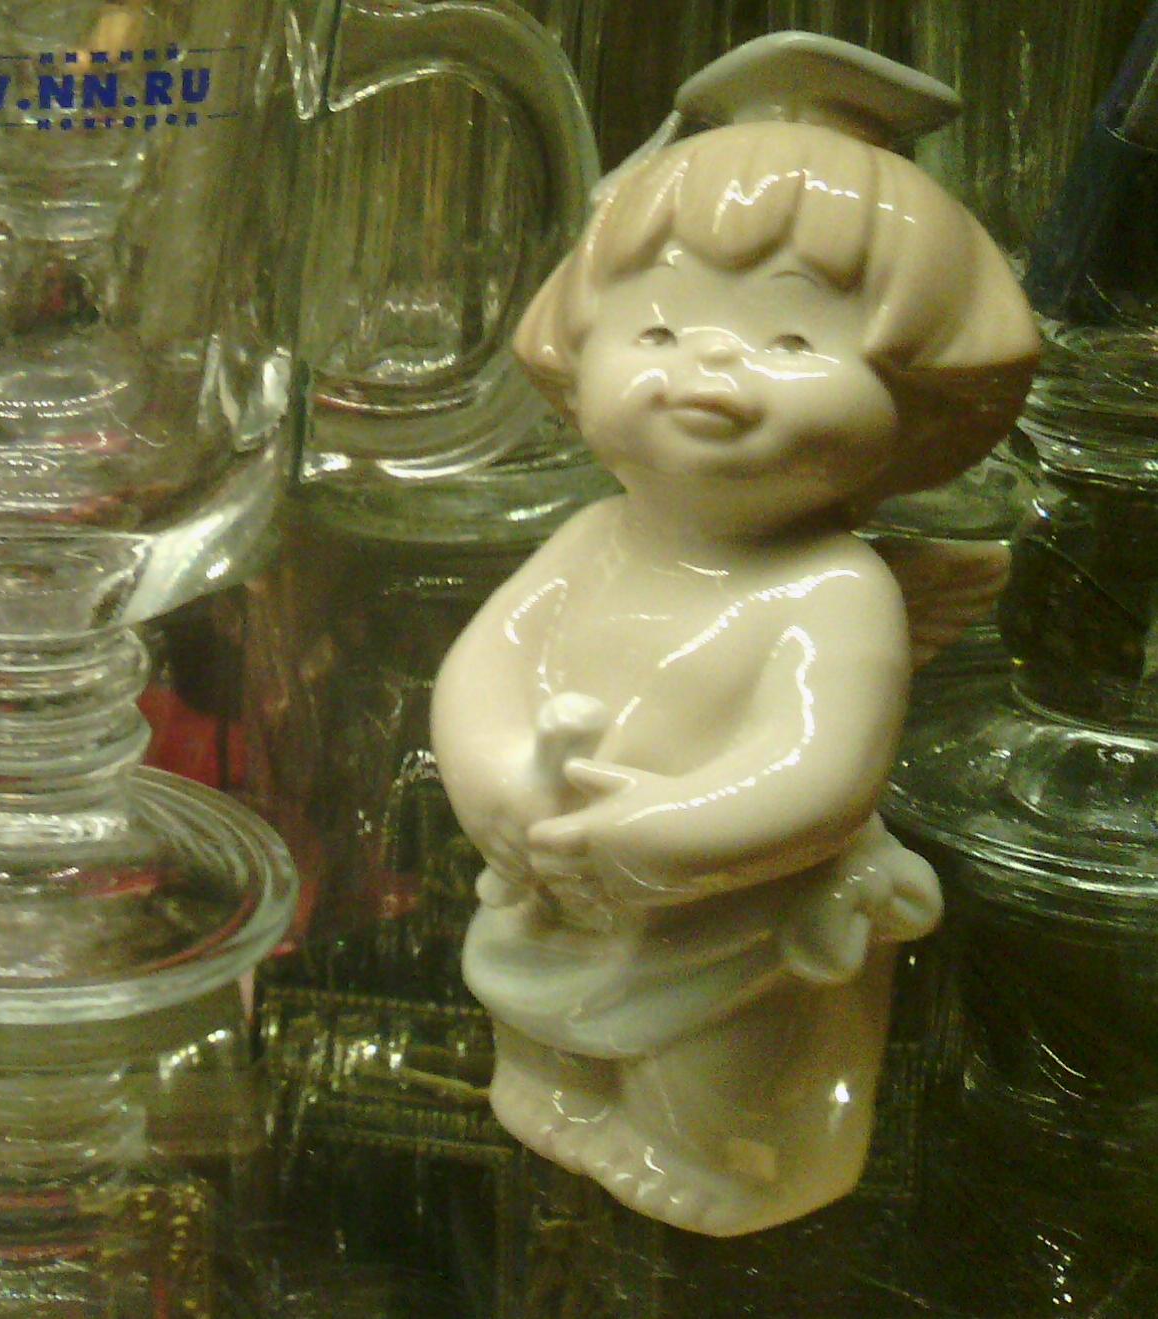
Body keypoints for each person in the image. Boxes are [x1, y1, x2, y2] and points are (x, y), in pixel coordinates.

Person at [431, 39, 1038, 1236]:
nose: (709, 360)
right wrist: (497, 779)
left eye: (792, 341)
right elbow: (483, 668)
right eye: (655, 331)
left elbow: (818, 768)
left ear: (914, 401)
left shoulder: (831, 590)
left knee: (732, 1047)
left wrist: (662, 833)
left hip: (734, 905)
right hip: (563, 877)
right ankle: (557, 1087)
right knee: (534, 1000)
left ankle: (736, 1154)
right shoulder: (592, 537)